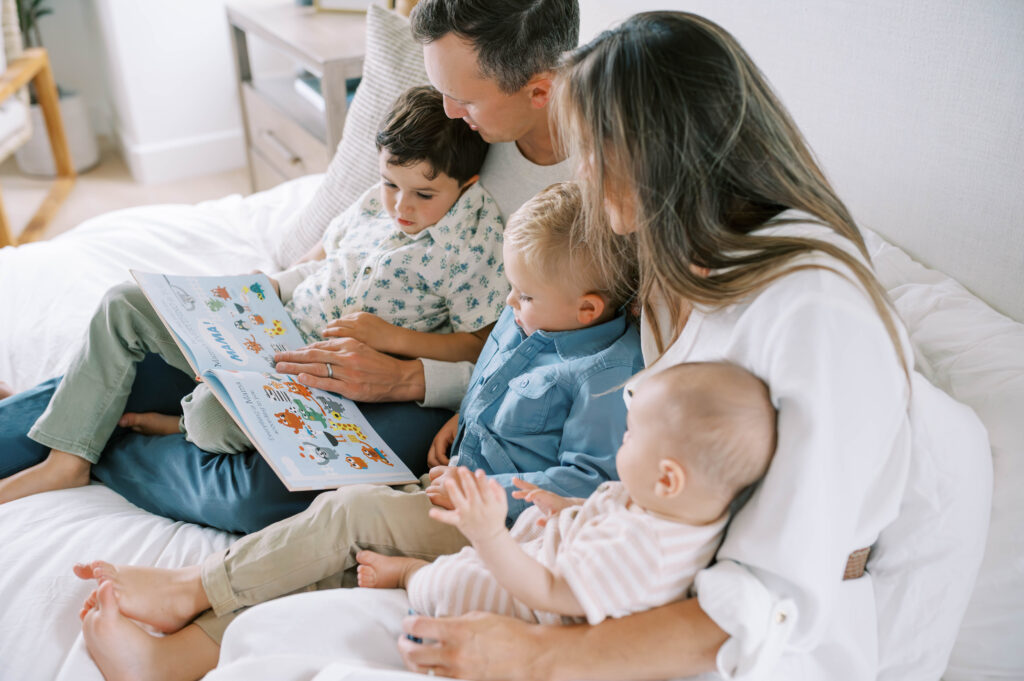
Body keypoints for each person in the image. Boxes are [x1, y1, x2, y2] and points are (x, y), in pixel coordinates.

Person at [387, 11, 990, 680]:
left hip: (742, 643)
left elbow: (763, 599)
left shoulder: (817, 314)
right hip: (624, 564)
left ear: (648, 154)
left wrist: (535, 655)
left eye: (589, 150)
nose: (582, 174)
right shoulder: (683, 254)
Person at [0, 0, 578, 533]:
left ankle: (103, 443)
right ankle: (72, 442)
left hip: (413, 384)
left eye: (466, 99)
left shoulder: (595, 190)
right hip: (301, 330)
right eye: (442, 91)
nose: (451, 112)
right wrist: (254, 295)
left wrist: (405, 372)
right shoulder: (450, 121)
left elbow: (523, 350)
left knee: (262, 493)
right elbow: (334, 248)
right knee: (129, 344)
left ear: (538, 90)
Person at [74, 181, 645, 680]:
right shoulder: (531, 316)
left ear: (588, 310)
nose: (510, 304)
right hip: (450, 480)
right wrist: (461, 417)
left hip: (497, 526)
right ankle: (173, 660)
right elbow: (493, 379)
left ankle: (191, 588)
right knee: (334, 561)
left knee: (349, 512)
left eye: (523, 297)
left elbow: (586, 482)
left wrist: (485, 497)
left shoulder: (606, 376)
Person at [0, 85, 508, 504]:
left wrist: (390, 337)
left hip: (314, 377)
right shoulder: (375, 205)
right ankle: (66, 461)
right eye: (389, 184)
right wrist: (267, 284)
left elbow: (479, 343)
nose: (400, 206)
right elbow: (320, 259)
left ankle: (172, 423)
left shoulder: (474, 240)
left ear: (467, 183)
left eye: (423, 195)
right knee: (123, 303)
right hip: (270, 322)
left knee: (207, 418)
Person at [357, 362, 776, 628]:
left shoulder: (646, 552)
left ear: (668, 479)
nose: (621, 445)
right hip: (552, 548)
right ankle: (431, 566)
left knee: (455, 581)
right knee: (491, 548)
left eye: (629, 437)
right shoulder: (674, 507)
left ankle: (413, 575)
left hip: (536, 603)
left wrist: (489, 536)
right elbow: (607, 509)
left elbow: (550, 592)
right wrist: (565, 505)